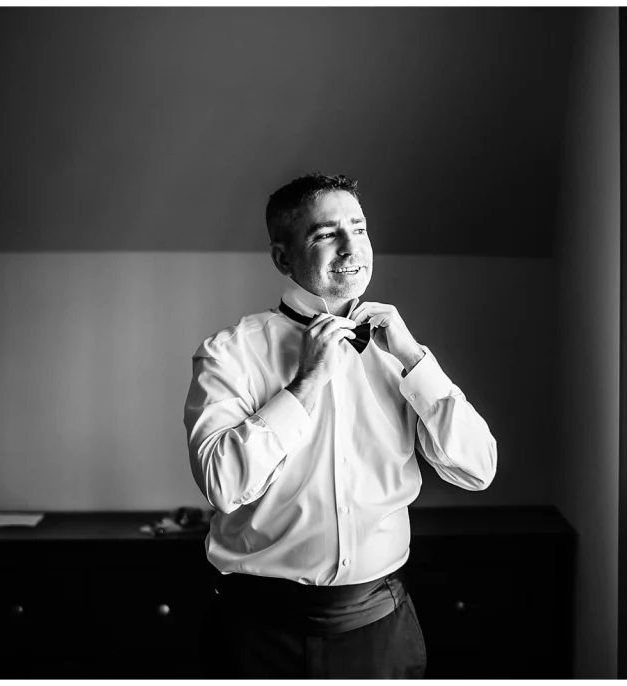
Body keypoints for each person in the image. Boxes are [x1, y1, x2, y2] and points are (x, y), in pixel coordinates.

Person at [184, 173, 498, 678]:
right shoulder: (231, 353)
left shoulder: (400, 353)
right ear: (284, 258)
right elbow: (223, 484)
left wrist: (416, 360)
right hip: (258, 635)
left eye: (360, 227)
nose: (353, 246)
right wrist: (305, 385)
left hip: (382, 631)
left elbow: (478, 469)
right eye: (326, 233)